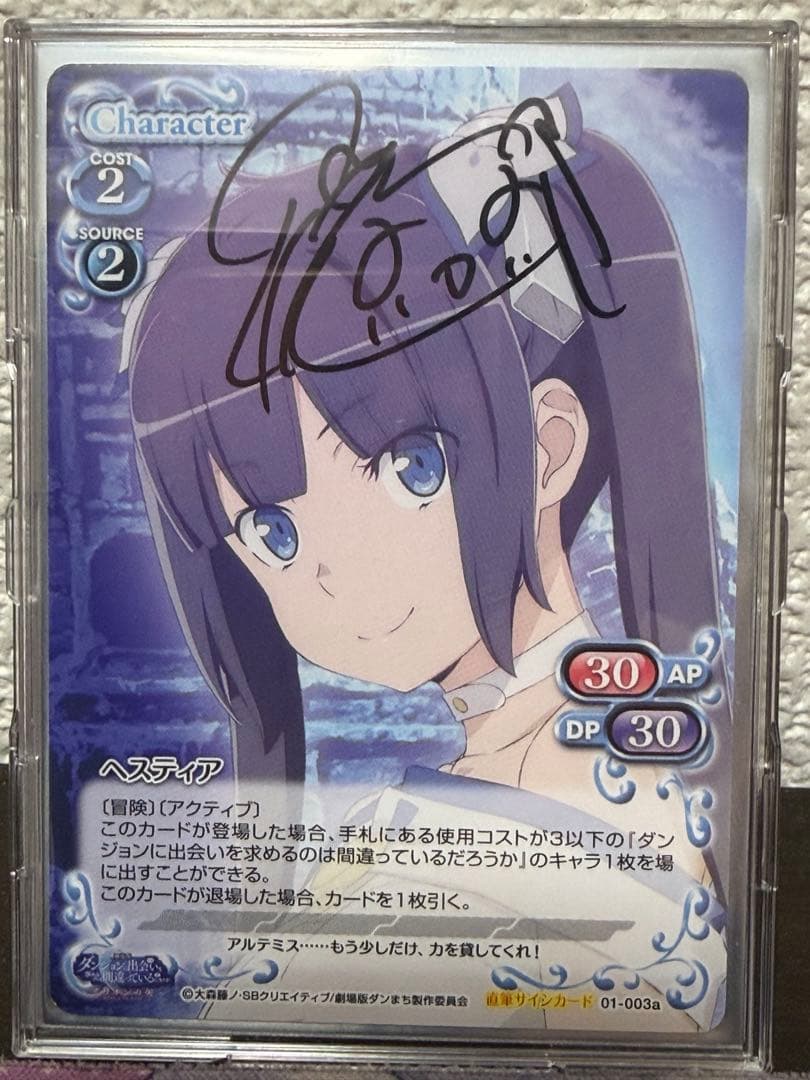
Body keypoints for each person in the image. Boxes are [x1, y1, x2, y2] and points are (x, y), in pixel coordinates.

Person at [124, 84, 729, 1031]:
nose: (332, 575)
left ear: (551, 448)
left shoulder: (555, 802)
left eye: (411, 468)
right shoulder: (551, 776)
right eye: (271, 533)